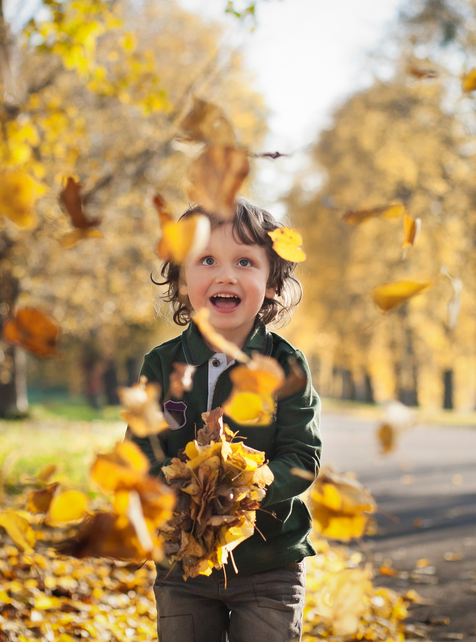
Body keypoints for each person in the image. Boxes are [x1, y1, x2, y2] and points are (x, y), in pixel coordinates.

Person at [131, 198, 322, 642]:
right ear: (181, 279)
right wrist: (168, 492)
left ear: (272, 282)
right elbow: (140, 448)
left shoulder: (285, 365)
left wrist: (246, 490)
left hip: (268, 562)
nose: (226, 274)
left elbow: (302, 454)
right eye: (207, 260)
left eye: (244, 261)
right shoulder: (161, 365)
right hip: (182, 564)